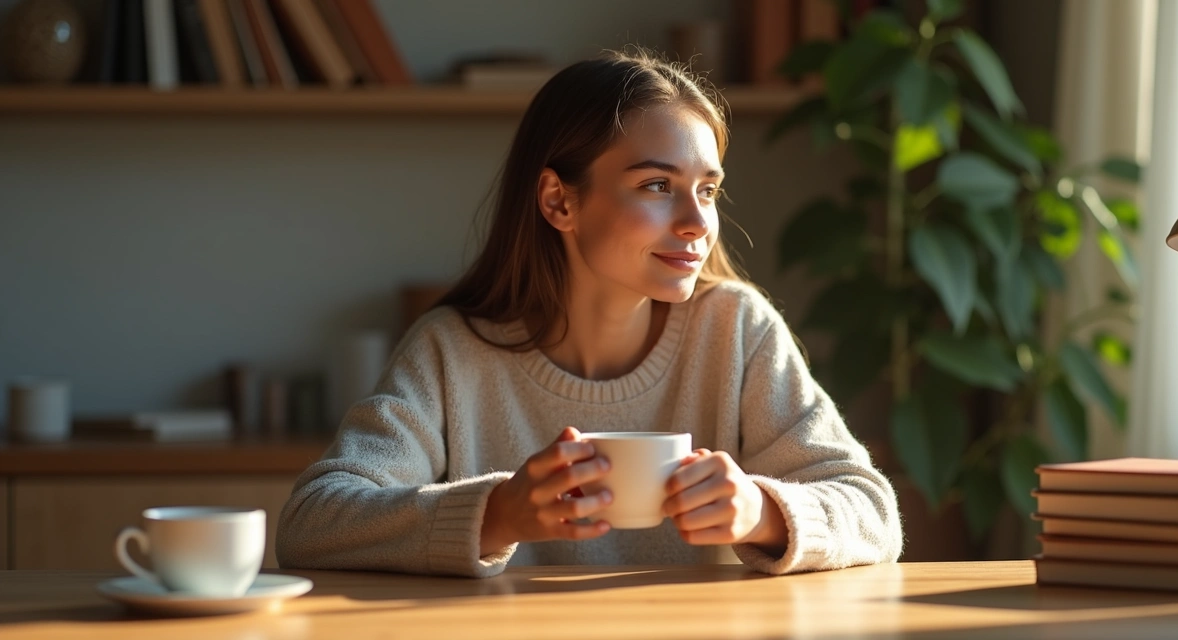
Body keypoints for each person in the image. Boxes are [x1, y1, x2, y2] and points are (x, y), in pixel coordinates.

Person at [276, 49, 902, 578]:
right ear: (558, 201)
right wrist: (497, 514)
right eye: (657, 185)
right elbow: (311, 522)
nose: (697, 222)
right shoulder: (451, 351)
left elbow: (874, 512)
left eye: (707, 190)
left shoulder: (736, 328)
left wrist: (761, 513)